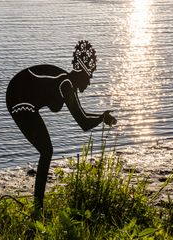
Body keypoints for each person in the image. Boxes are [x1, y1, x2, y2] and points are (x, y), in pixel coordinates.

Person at [6, 40, 117, 210]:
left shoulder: (67, 83)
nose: (89, 82)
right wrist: (102, 118)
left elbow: (84, 116)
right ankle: (38, 206)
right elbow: (84, 122)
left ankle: (38, 204)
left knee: (46, 150)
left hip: (23, 95)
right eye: (89, 76)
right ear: (81, 72)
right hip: (19, 98)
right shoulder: (66, 84)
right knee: (47, 151)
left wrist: (101, 117)